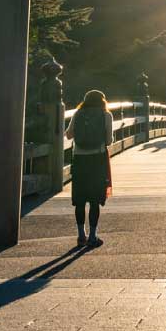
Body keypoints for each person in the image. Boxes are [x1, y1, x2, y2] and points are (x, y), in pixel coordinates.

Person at [64, 89, 114, 247]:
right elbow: (108, 141)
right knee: (94, 200)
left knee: (79, 200)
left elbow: (69, 135)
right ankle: (92, 236)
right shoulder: (106, 115)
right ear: (102, 101)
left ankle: (81, 236)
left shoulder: (78, 114)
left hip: (79, 160)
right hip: (97, 160)